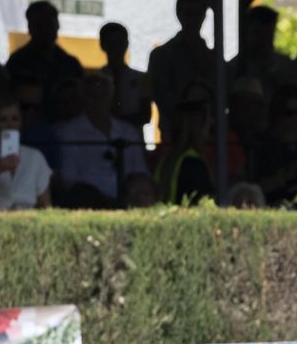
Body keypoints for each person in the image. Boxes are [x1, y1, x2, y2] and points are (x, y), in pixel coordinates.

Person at [56, 70, 148, 207]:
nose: (97, 101)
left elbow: (141, 172)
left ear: (111, 97)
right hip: (88, 205)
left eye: (102, 96)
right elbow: (69, 179)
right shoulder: (69, 133)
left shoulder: (128, 132)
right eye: (91, 96)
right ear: (83, 98)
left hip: (128, 203)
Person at [148, 0, 215, 139]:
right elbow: (162, 96)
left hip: (208, 132)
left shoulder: (212, 57)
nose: (193, 19)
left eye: (197, 14)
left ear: (204, 16)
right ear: (179, 15)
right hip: (174, 132)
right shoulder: (161, 55)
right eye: (188, 14)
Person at [5, 0, 84, 99]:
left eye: (48, 23)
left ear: (57, 25)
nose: (44, 30)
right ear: (29, 28)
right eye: (38, 25)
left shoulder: (70, 64)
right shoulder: (18, 62)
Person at [153, 82, 215, 204]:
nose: (210, 126)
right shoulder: (193, 164)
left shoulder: (165, 160)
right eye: (207, 123)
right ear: (198, 127)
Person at [228, 5, 297, 99]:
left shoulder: (286, 65)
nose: (264, 39)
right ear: (247, 32)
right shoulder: (235, 67)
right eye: (258, 33)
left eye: (269, 33)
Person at [98, 22, 150, 132]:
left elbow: (146, 116)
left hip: (133, 143)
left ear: (126, 44)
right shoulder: (95, 79)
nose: (116, 47)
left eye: (119, 42)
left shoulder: (141, 79)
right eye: (111, 43)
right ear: (102, 45)